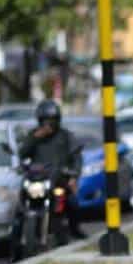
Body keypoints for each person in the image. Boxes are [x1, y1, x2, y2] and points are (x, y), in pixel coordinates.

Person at [18, 99, 86, 240]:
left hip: (59, 179)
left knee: (72, 202)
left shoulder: (66, 136)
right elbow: (22, 154)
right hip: (38, 179)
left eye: (52, 120)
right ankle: (18, 239)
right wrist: (35, 138)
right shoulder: (33, 135)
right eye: (45, 120)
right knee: (20, 204)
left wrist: (74, 176)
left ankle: (74, 229)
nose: (48, 124)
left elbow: (76, 156)